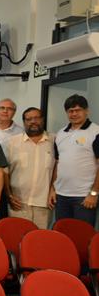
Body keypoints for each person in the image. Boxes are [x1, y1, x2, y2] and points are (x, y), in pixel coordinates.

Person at [50, 94, 99, 227]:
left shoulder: (95, 132)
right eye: (71, 111)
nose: (74, 114)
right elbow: (58, 163)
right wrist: (53, 189)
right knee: (63, 235)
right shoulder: (60, 134)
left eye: (78, 110)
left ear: (86, 111)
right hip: (61, 196)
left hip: (84, 197)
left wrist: (94, 193)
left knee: (82, 237)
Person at [6, 107, 54, 229]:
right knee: (17, 240)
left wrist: (54, 189)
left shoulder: (54, 141)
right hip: (18, 203)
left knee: (40, 241)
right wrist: (9, 195)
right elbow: (4, 172)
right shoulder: (12, 142)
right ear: (24, 122)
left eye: (37, 118)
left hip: (43, 204)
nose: (33, 121)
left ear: (43, 120)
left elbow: (58, 168)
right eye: (29, 119)